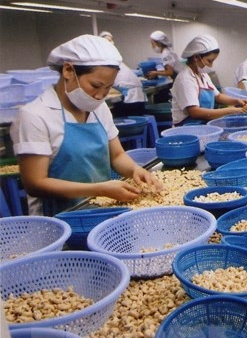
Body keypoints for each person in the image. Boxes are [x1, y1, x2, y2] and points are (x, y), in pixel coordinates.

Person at [10, 34, 161, 216]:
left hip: (101, 209)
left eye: (108, 88)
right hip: (58, 219)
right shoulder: (35, 116)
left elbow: (117, 155)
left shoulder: (99, 108)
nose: (100, 95)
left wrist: (135, 170)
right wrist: (99, 189)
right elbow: (35, 183)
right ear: (68, 71)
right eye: (95, 85)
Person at [171, 34, 247, 126]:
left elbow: (218, 96)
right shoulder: (185, 79)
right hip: (187, 127)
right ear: (196, 57)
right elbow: (194, 112)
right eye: (209, 61)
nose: (211, 65)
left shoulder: (203, 75)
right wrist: (229, 111)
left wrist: (237, 101)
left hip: (203, 124)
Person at [99, 31, 146, 117]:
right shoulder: (110, 58)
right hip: (133, 95)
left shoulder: (110, 58)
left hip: (130, 97)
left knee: (121, 118)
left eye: (110, 40)